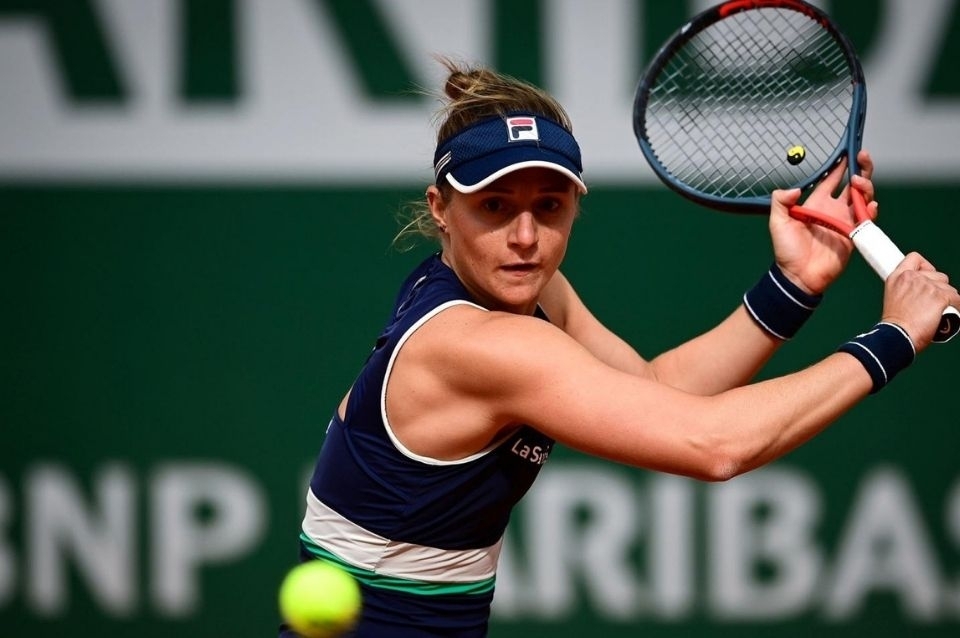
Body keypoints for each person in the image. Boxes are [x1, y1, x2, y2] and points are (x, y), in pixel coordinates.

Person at [279, 58, 960, 637]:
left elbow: (658, 388)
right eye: (494, 205)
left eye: (549, 206)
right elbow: (714, 444)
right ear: (439, 208)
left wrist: (794, 284)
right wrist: (894, 337)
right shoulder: (479, 343)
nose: (524, 236)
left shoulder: (519, 288)